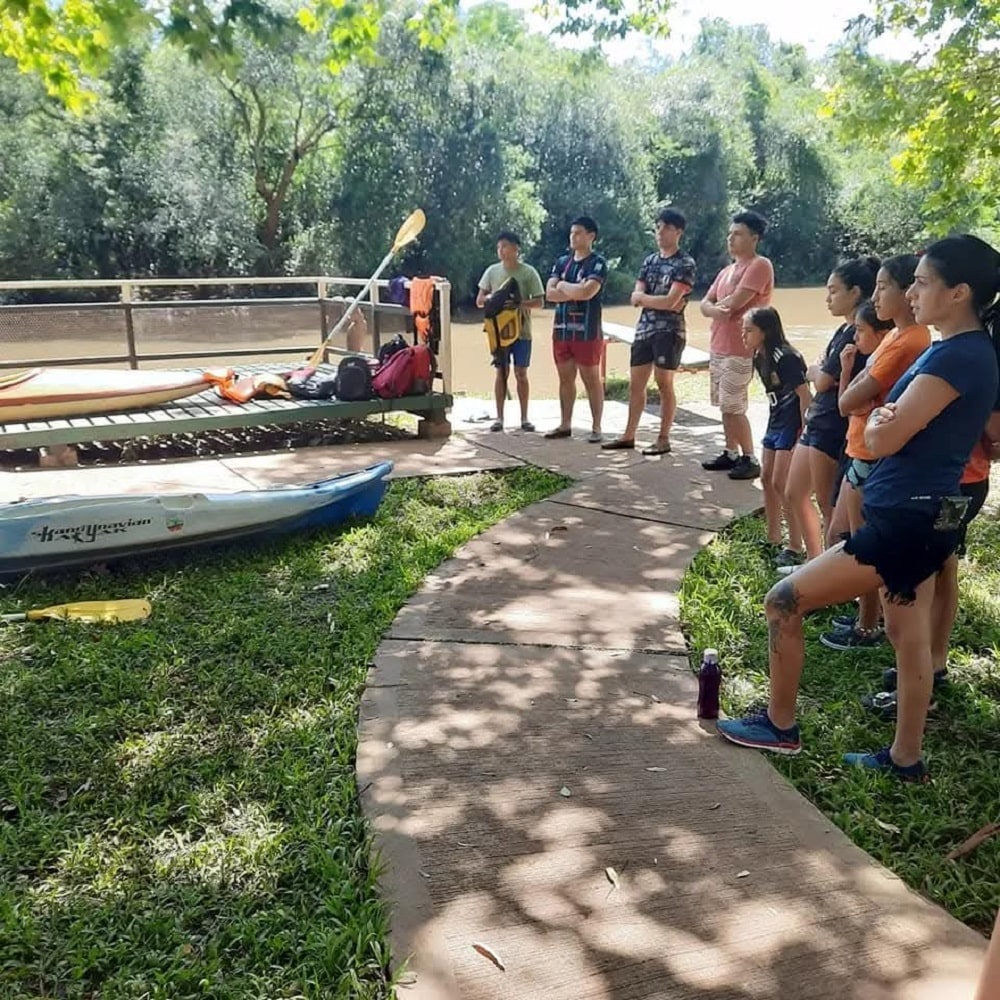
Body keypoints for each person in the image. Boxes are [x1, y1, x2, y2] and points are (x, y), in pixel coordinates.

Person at [717, 234, 1000, 782]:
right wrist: (885, 417)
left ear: (959, 292)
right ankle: (905, 759)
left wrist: (880, 420)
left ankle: (780, 725)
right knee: (907, 637)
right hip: (926, 515)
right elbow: (890, 420)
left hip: (906, 521)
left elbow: (882, 435)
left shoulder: (956, 356)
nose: (911, 293)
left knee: (783, 602)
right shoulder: (969, 351)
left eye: (922, 283)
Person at [821, 256, 931, 652]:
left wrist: (856, 389)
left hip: (871, 454)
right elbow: (853, 398)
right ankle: (866, 617)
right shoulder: (898, 337)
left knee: (863, 541)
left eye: (883, 287)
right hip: (861, 447)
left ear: (906, 291)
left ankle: (868, 627)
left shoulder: (910, 341)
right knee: (843, 533)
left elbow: (849, 401)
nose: (876, 295)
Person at [781, 257, 879, 568]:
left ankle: (829, 571)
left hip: (832, 425)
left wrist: (817, 371)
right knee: (794, 491)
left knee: (829, 505)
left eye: (834, 291)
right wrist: (818, 371)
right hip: (817, 419)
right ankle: (813, 561)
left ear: (855, 292)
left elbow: (822, 379)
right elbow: (820, 371)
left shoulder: (857, 334)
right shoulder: (844, 329)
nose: (827, 299)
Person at [602, 207, 696, 455]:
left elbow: (671, 301)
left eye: (666, 228)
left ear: (678, 232)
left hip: (670, 331)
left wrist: (647, 299)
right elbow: (636, 297)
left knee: (663, 382)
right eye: (658, 228)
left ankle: (663, 438)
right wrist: (654, 300)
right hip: (644, 330)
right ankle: (628, 435)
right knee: (636, 384)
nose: (660, 233)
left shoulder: (685, 263)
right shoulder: (650, 261)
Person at [700, 211, 774, 481]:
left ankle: (749, 457)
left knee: (734, 405)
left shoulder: (760, 265)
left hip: (741, 348)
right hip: (719, 345)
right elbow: (705, 303)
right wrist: (713, 309)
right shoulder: (726, 271)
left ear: (754, 238)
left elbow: (735, 302)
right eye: (730, 234)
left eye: (738, 234)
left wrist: (715, 308)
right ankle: (730, 452)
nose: (731, 239)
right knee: (724, 404)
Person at [742, 307, 811, 560]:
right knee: (767, 478)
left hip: (792, 423)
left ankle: (796, 546)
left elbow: (805, 395)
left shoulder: (786, 357)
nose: (743, 335)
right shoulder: (759, 355)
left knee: (782, 483)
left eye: (749, 330)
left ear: (765, 331)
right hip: (775, 421)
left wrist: (804, 432)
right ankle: (773, 537)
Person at [544, 216, 609, 443]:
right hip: (562, 330)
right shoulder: (562, 262)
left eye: (578, 233)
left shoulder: (597, 263)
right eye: (572, 233)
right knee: (565, 378)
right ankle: (565, 424)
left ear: (591, 236)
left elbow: (587, 292)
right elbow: (549, 293)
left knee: (591, 378)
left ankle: (597, 427)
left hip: (587, 331)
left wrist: (562, 285)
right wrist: (571, 289)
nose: (573, 237)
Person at [476, 231, 545, 432]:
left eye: (505, 246)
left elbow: (540, 302)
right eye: (499, 247)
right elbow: (479, 301)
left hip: (522, 331)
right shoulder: (492, 271)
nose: (501, 250)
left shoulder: (528, 272)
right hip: (498, 332)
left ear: (516, 249)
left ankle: (524, 418)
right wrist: (493, 299)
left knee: (521, 373)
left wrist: (519, 303)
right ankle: (499, 418)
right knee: (501, 372)